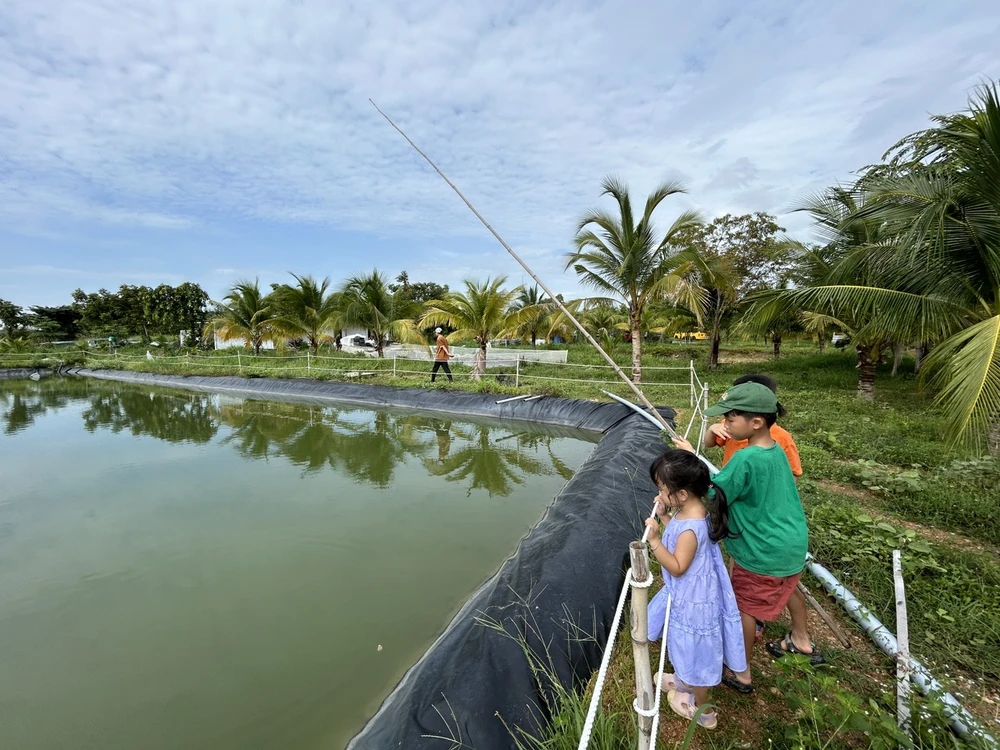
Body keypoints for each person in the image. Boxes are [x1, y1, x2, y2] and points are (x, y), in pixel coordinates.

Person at [673, 382, 822, 696]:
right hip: (790, 545)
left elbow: (713, 492)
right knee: (786, 585)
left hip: (762, 552)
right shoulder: (774, 451)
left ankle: (740, 671)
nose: (725, 423)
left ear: (756, 422)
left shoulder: (746, 458)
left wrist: (690, 457)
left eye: (731, 418)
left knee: (745, 608)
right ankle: (799, 638)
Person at [644, 450, 746, 730]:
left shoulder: (691, 528)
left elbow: (677, 565)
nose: (660, 494)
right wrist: (665, 518)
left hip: (693, 603)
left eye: (662, 489)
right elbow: (680, 539)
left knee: (697, 657)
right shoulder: (694, 512)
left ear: (682, 494)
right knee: (686, 650)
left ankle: (703, 709)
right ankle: (682, 680)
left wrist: (654, 540)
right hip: (694, 594)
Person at [702, 374, 802, 478]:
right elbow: (709, 443)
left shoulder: (783, 437)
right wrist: (712, 429)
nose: (726, 424)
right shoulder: (730, 427)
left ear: (756, 422)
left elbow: (793, 473)